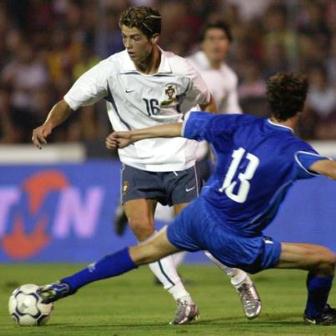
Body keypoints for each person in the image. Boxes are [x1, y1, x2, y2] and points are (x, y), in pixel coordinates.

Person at [37, 72, 336, 326]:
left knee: (141, 253)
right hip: (235, 241)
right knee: (325, 259)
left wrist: (134, 135)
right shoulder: (295, 150)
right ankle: (316, 313)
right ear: (301, 108)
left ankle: (62, 287)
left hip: (199, 216)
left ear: (270, 102)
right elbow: (330, 170)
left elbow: (183, 126)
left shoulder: (239, 124)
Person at [31, 6, 260, 324]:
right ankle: (182, 300)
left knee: (199, 235)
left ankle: (241, 281)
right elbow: (69, 101)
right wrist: (48, 125)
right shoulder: (111, 70)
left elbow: (207, 100)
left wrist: (212, 138)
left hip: (180, 159)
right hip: (137, 163)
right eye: (124, 36)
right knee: (142, 230)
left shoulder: (180, 70)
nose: (127, 44)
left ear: (154, 38)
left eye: (135, 37)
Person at [111, 19, 261, 319]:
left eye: (222, 39)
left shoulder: (228, 76)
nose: (217, 44)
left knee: (199, 229)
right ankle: (194, 293)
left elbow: (227, 113)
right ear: (203, 43)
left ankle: (238, 279)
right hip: (180, 152)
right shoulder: (188, 67)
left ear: (229, 44)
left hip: (199, 156)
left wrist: (235, 144)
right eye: (212, 38)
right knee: (193, 227)